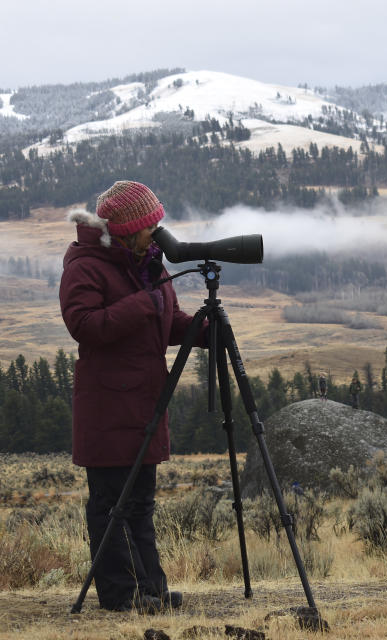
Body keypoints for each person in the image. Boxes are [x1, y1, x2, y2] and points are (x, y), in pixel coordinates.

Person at [60, 181, 195, 613]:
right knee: (110, 505)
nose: (157, 231)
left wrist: (206, 329)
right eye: (150, 224)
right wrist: (144, 304)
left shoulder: (148, 264)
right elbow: (84, 325)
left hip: (143, 405)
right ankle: (122, 595)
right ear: (128, 229)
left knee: (139, 506)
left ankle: (150, 589)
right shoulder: (86, 265)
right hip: (107, 406)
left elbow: (166, 319)